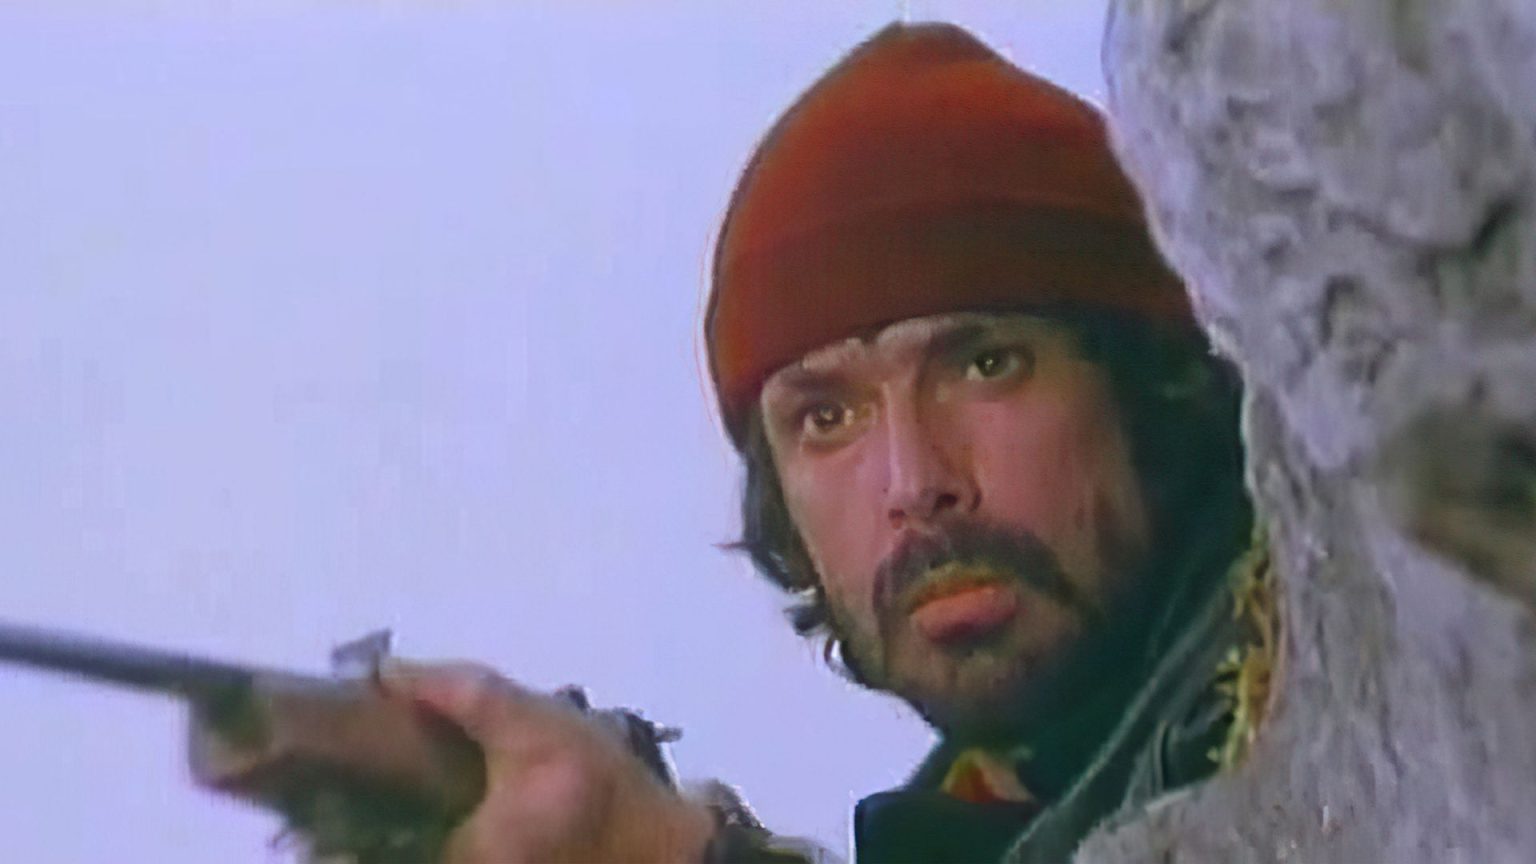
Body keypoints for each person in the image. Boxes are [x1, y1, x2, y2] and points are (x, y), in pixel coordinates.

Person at [378, 20, 1264, 864]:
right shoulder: (965, 819)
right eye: (827, 418)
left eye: (986, 365)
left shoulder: (1316, 678)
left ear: (1152, 388)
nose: (914, 483)